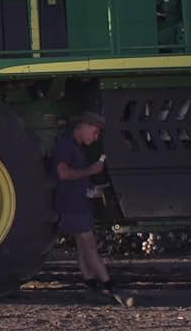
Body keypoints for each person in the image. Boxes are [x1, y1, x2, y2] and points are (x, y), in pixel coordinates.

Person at [53, 111, 132, 306]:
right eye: (95, 132)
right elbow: (62, 174)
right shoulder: (66, 146)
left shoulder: (72, 145)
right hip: (73, 202)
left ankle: (91, 283)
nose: (95, 137)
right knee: (89, 244)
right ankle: (111, 286)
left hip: (77, 200)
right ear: (84, 126)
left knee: (83, 245)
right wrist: (91, 170)